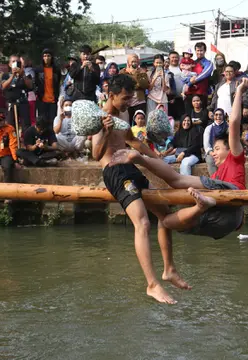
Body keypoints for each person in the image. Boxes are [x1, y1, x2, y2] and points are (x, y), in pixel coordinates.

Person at [105, 78, 248, 303]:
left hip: (233, 201)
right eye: (213, 150)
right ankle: (169, 269)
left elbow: (233, 122)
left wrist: (239, 90)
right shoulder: (215, 176)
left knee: (179, 182)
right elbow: (174, 177)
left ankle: (199, 206)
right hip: (219, 222)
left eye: (218, 149)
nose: (214, 153)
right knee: (166, 220)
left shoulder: (235, 158)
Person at [92, 73, 189, 304]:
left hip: (130, 167)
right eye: (125, 98)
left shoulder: (124, 112)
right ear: (111, 95)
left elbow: (132, 141)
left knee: (165, 213)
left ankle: (169, 269)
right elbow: (96, 154)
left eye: (130, 99)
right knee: (143, 222)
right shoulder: (99, 117)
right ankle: (152, 284)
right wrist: (105, 132)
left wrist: (155, 158)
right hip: (114, 173)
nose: (128, 103)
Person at [1, 55, 33, 134]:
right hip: (11, 103)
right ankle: (13, 145)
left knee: (26, 125)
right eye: (13, 61)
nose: (15, 63)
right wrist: (13, 75)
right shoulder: (5, 75)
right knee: (11, 126)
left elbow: (30, 86)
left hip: (23, 103)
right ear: (9, 64)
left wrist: (23, 74)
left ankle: (27, 144)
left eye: (17, 62)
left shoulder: (26, 75)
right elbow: (4, 86)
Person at [183, 42, 214, 115]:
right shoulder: (192, 63)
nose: (199, 52)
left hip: (201, 95)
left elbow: (205, 74)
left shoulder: (208, 63)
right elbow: (184, 75)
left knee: (201, 118)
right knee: (188, 117)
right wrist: (188, 81)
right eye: (197, 50)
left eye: (201, 50)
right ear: (195, 51)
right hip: (189, 95)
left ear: (205, 51)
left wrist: (191, 82)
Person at [35, 49, 63, 121]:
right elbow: (35, 83)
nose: (46, 58)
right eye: (44, 56)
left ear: (52, 57)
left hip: (53, 100)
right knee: (42, 122)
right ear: (42, 57)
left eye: (48, 56)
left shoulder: (56, 70)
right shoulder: (38, 69)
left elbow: (58, 83)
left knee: (53, 121)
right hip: (42, 100)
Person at [203, 109, 228, 174]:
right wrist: (212, 153)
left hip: (225, 151)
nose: (218, 117)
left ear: (223, 116)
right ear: (213, 116)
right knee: (210, 161)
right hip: (212, 152)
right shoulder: (209, 128)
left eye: (220, 115)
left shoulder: (228, 127)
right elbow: (206, 145)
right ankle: (215, 182)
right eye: (216, 115)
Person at [167, 52, 185, 121]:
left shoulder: (182, 68)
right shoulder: (167, 69)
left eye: (176, 57)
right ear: (169, 58)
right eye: (172, 57)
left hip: (182, 99)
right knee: (171, 120)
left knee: (181, 119)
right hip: (171, 100)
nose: (174, 59)